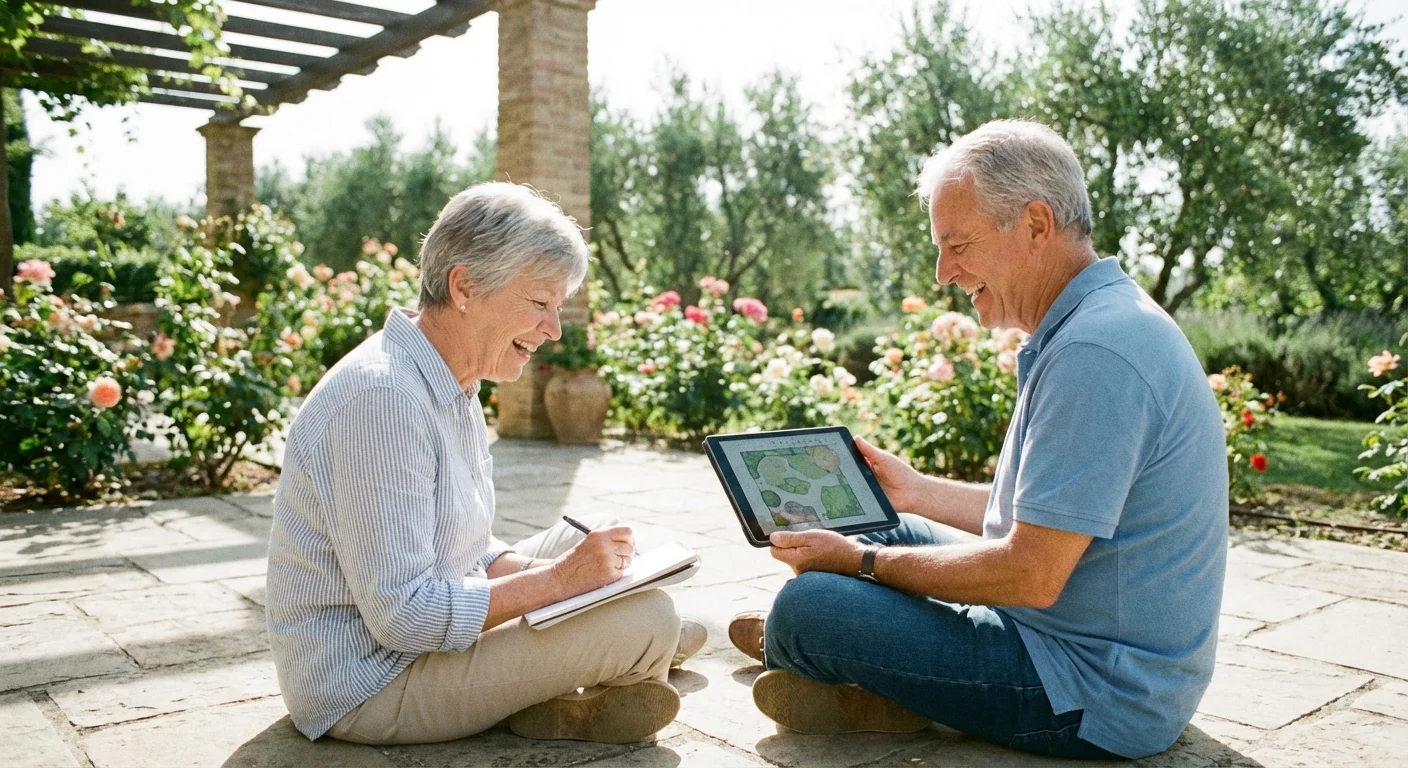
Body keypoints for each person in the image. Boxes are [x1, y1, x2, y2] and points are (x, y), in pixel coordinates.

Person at [728, 120, 1228, 759]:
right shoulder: (1096, 321)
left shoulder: (1095, 352)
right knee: (877, 523)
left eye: (957, 244)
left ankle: (817, 650)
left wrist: (858, 567)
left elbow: (1031, 573)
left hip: (1095, 693)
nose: (943, 273)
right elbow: (1045, 522)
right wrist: (915, 492)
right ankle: (855, 672)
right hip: (1075, 638)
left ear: (1037, 225)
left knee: (812, 604)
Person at [267, 183, 705, 746]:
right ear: (465, 286)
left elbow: (468, 547)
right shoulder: (382, 400)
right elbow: (404, 618)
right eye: (540, 303)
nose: (554, 330)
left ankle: (602, 666)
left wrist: (572, 575)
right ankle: (632, 652)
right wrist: (559, 584)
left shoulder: (450, 378)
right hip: (369, 685)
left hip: (422, 639)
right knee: (647, 618)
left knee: (620, 558)